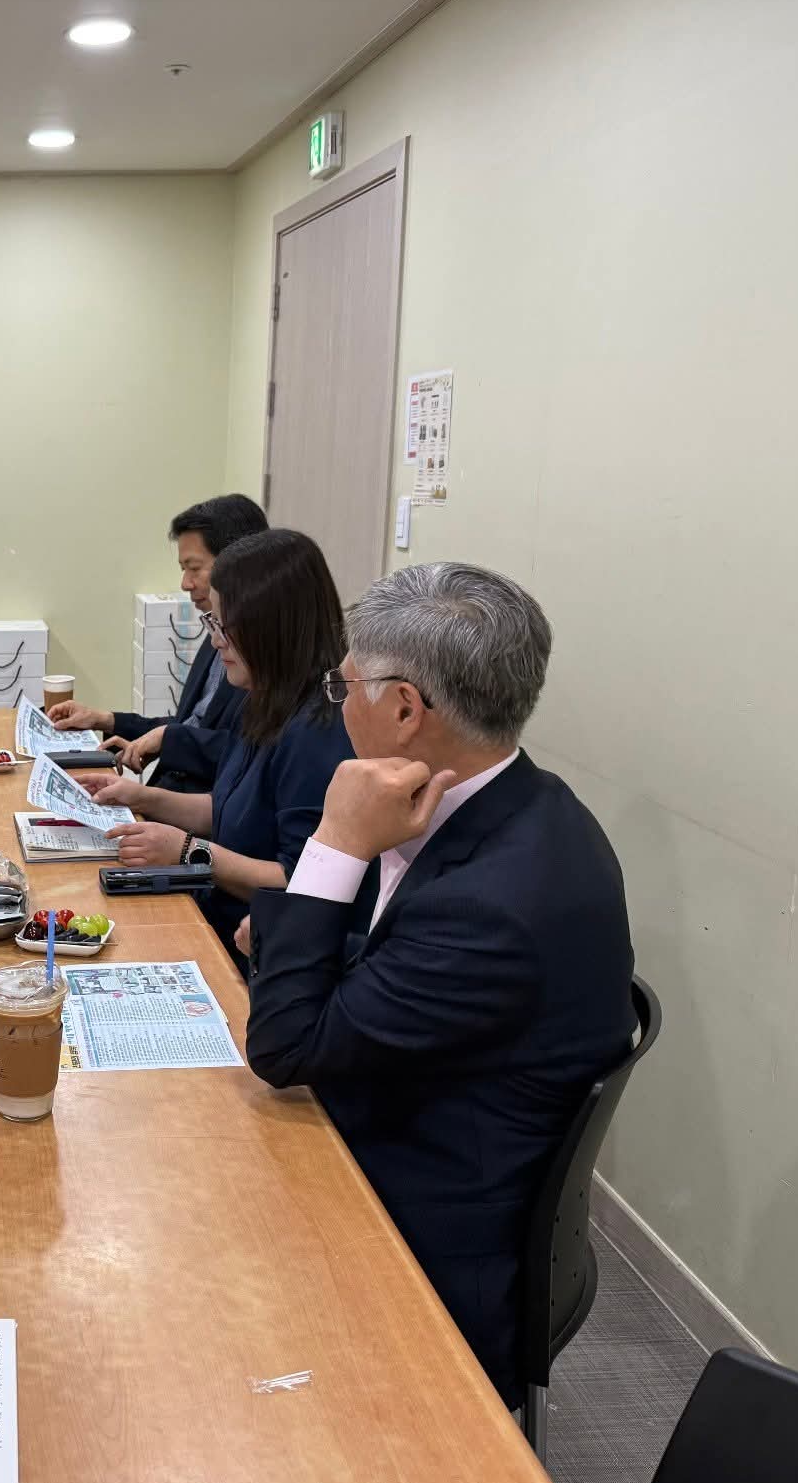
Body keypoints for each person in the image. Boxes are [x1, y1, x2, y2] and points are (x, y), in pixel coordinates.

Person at [235, 562, 636, 1406]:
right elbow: (386, 947)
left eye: (343, 686)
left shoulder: (496, 903)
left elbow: (285, 1047)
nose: (335, 704)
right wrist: (298, 917)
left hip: (432, 1238)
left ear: (404, 709)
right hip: (432, 1124)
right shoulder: (519, 801)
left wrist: (335, 844)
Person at [77, 528, 352, 965]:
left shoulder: (319, 730)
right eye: (213, 623)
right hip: (211, 916)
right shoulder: (262, 699)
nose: (215, 640)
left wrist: (190, 850)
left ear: (271, 627)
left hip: (251, 948)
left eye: (224, 626)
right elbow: (229, 807)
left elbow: (298, 881)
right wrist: (141, 797)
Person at [49, 493, 266, 792]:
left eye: (194, 568)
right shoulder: (215, 630)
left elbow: (248, 754)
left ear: (237, 563)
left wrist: (169, 743)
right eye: (183, 569)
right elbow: (189, 724)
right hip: (168, 792)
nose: (185, 584)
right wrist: (106, 720)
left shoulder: (267, 654)